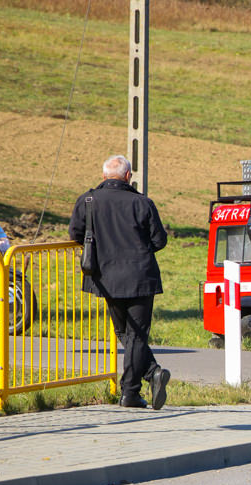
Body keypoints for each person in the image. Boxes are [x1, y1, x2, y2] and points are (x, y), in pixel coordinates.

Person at [68, 155, 170, 409]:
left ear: (103, 176)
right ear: (128, 176)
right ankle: (134, 389)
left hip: (106, 277)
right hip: (140, 275)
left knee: (124, 332)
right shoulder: (142, 203)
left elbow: (75, 234)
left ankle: (147, 378)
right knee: (135, 334)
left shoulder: (88, 200)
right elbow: (159, 240)